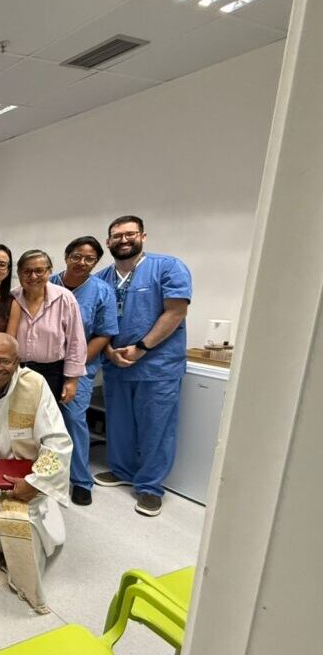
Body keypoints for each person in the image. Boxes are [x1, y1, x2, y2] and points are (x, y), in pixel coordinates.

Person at [0, 333, 72, 615]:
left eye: (5, 361)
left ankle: (25, 579)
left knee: (22, 524)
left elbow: (58, 441)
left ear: (18, 362)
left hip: (27, 474)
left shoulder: (34, 385)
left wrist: (34, 483)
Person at [94, 216, 192, 517]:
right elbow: (97, 321)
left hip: (157, 366)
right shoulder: (101, 278)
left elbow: (175, 312)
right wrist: (108, 351)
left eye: (130, 234)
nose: (124, 240)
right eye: (117, 236)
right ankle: (122, 470)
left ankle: (150, 486)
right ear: (108, 241)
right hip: (116, 364)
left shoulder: (168, 267)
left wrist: (141, 348)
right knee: (120, 423)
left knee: (156, 427)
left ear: (143, 236)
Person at [51, 236, 118, 506]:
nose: (81, 262)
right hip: (44, 365)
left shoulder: (102, 291)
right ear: (66, 257)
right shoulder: (48, 284)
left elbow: (104, 333)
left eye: (89, 259)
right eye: (76, 256)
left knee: (74, 420)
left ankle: (80, 480)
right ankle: (42, 474)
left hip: (79, 369)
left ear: (96, 262)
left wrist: (74, 365)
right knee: (39, 421)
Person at [11, 249, 87, 404]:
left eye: (39, 271)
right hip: (16, 372)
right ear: (19, 274)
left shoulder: (65, 298)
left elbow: (76, 341)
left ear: (49, 271)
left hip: (52, 373)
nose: (33, 277)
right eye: (27, 271)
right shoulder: (11, 298)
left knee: (47, 417)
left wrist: (72, 380)